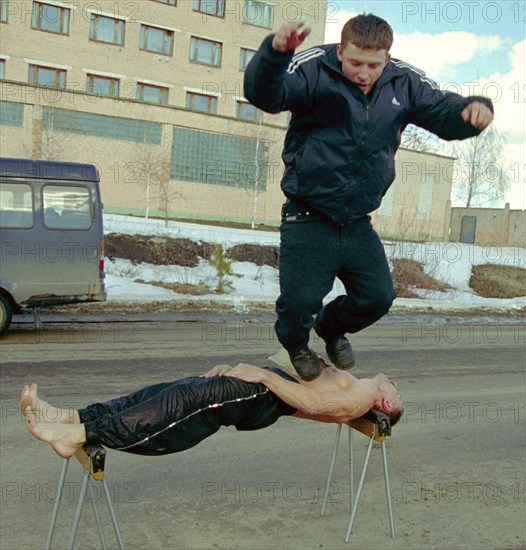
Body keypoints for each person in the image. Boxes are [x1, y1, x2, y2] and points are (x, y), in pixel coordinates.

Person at [244, 14, 494, 381]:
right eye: (355, 63)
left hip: (358, 219)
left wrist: (472, 112)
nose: (363, 73)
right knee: (299, 302)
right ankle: (296, 344)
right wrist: (275, 53)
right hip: (309, 213)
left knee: (378, 297)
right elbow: (266, 94)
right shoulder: (312, 68)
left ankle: (330, 329)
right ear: (341, 50)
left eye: (373, 65)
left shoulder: (404, 81)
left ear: (387, 59)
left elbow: (443, 113)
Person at [21, 360, 403, 458]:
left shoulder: (364, 398)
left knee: (183, 404)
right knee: (173, 389)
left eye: (399, 396)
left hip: (265, 396)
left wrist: (261, 377)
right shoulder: (360, 384)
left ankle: (78, 436)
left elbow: (316, 403)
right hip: (262, 386)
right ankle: (73, 417)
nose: (397, 387)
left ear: (387, 404)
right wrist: (250, 372)